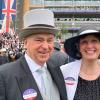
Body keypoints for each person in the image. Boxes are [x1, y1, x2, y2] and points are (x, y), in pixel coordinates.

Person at [0, 9, 67, 100]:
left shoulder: (58, 72)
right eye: (39, 40)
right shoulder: (4, 75)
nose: (45, 46)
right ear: (25, 43)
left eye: (49, 40)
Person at [60, 25, 100, 100]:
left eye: (94, 41)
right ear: (78, 47)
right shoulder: (64, 72)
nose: (89, 46)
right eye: (84, 42)